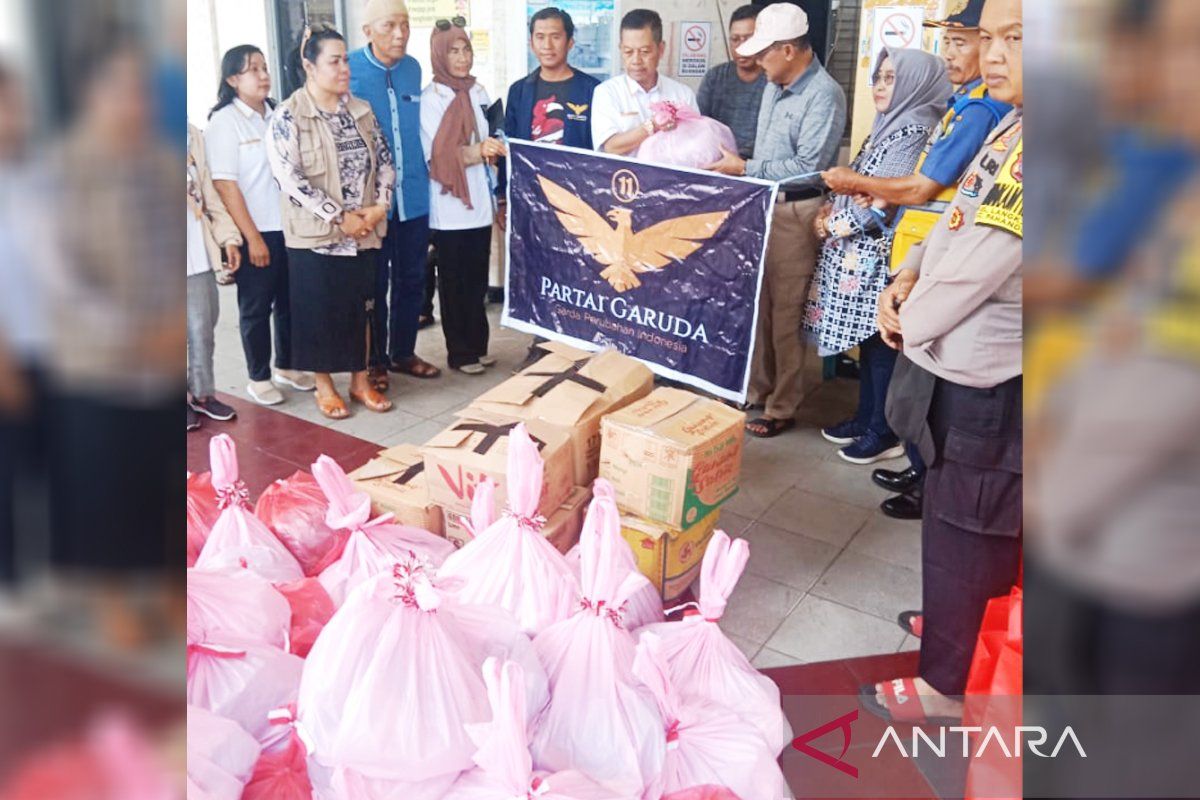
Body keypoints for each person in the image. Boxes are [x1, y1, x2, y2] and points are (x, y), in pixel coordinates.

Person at [861, 0, 1023, 724]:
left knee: (971, 526)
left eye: (1016, 40)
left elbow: (986, 264)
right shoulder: (1013, 123)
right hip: (950, 351)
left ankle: (947, 686)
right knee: (954, 516)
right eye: (988, 38)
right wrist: (903, 278)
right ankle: (961, 634)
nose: (993, 56)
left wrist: (906, 320)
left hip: (988, 377)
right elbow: (954, 224)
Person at [821, 0, 1011, 517]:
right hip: (920, 258)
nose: (956, 52)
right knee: (909, 378)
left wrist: (854, 183)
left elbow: (925, 188)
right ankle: (917, 469)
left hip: (949, 278)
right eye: (950, 41)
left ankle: (926, 482)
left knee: (923, 385)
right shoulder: (970, 103)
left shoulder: (983, 111)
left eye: (964, 40)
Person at [706, 2, 846, 438]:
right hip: (761, 206)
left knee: (786, 314)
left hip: (795, 212)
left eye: (764, 52)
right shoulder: (774, 83)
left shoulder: (824, 94)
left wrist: (744, 169)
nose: (755, 60)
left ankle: (782, 405)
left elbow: (810, 166)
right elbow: (766, 154)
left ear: (788, 50)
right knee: (757, 310)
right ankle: (757, 389)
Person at [804, 49, 950, 466]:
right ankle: (867, 416)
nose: (881, 87)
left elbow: (882, 200)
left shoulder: (914, 129)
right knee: (869, 345)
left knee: (883, 344)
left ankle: (884, 432)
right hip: (860, 258)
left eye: (890, 79)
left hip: (883, 258)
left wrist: (830, 226)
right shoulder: (889, 124)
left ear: (914, 83)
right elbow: (857, 181)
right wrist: (830, 208)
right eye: (878, 78)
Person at [266, 25, 396, 419]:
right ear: (309, 66)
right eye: (334, 61)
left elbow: (386, 162)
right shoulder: (289, 115)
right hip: (318, 234)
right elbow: (289, 178)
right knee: (319, 310)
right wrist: (338, 217)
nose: (344, 69)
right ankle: (324, 385)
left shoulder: (361, 109)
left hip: (365, 231)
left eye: (346, 60)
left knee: (363, 307)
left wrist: (379, 208)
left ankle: (360, 381)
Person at [206, 45, 314, 408]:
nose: (263, 75)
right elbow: (225, 185)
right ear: (233, 79)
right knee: (255, 306)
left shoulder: (279, 113)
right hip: (257, 228)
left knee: (291, 301)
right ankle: (259, 376)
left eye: (265, 67)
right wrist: (251, 237)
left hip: (292, 225)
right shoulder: (225, 121)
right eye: (253, 69)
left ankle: (287, 365)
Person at [349, 0, 443, 392]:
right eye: (390, 26)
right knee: (373, 285)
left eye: (405, 25)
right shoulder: (350, 69)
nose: (400, 34)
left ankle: (403, 352)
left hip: (414, 197)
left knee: (411, 278)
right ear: (368, 31)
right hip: (373, 204)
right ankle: (374, 363)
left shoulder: (413, 69)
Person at [420, 18, 506, 375]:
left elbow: (490, 128)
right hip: (450, 204)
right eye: (453, 50)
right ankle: (460, 353)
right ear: (439, 55)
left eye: (466, 48)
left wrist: (494, 143)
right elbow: (436, 156)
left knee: (475, 279)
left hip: (479, 202)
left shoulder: (478, 91)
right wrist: (477, 151)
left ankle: (478, 345)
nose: (461, 57)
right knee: (454, 282)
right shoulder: (431, 98)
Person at [187, 122, 242, 432]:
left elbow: (208, 193)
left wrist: (229, 237)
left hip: (197, 249)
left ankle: (202, 393)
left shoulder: (190, 134)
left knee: (202, 327)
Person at [591, 9, 698, 155]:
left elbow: (696, 145)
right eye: (628, 52)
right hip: (624, 177)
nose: (636, 61)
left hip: (670, 177)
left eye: (644, 52)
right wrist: (652, 126)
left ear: (661, 50)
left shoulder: (682, 94)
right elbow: (611, 147)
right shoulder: (607, 92)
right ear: (620, 49)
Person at [505, 6, 600, 149]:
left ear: (570, 42)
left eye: (555, 37)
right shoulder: (518, 91)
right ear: (531, 43)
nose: (547, 45)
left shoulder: (593, 90)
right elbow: (509, 146)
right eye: (540, 37)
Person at [697, 4, 767, 159]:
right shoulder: (714, 77)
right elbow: (699, 125)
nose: (741, 47)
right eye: (735, 39)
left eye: (749, 39)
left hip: (757, 167)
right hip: (717, 162)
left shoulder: (774, 80)